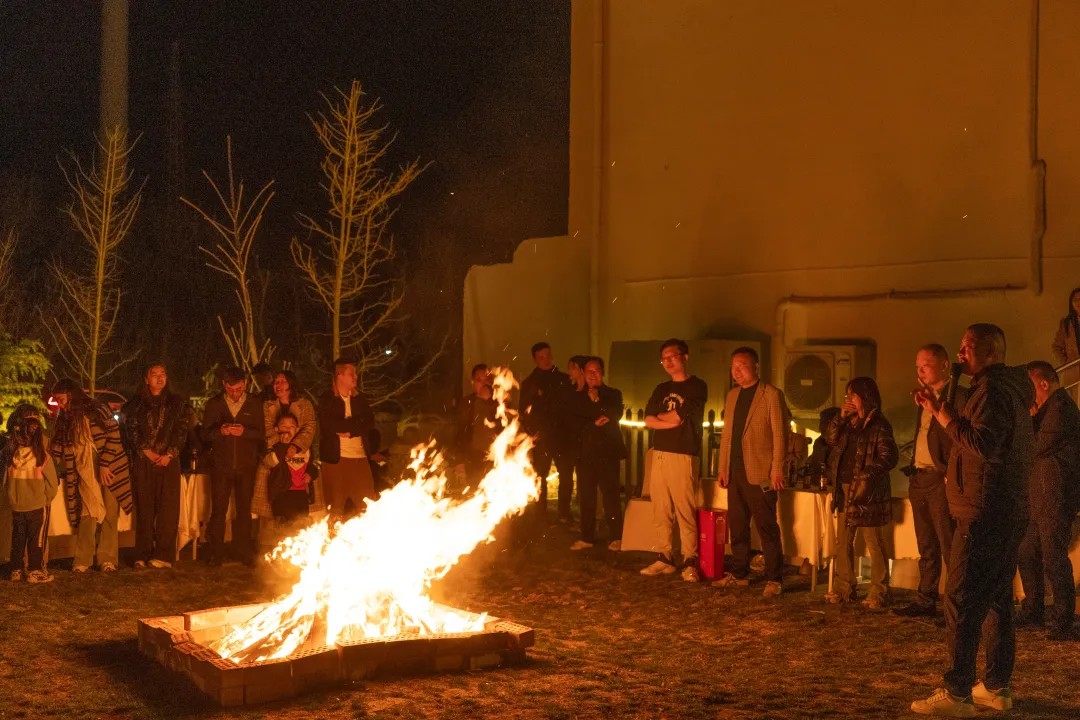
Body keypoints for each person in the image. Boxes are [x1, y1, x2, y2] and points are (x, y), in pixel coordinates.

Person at [911, 323, 1034, 717]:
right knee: (997, 598)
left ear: (991, 353)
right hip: (1002, 507)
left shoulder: (992, 391)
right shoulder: (1002, 390)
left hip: (984, 510)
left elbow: (983, 444)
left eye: (968, 348)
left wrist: (945, 417)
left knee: (961, 598)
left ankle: (958, 691)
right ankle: (996, 686)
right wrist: (937, 407)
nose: (960, 353)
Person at [894, 344, 969, 617]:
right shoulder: (923, 397)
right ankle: (926, 599)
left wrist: (952, 470)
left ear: (944, 364)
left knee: (949, 544)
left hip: (941, 479)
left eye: (925, 364)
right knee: (926, 544)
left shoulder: (957, 396)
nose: (920, 370)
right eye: (917, 366)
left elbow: (959, 437)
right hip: (919, 477)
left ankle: (955, 606)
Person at [714, 347, 788, 598]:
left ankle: (774, 578)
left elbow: (780, 435)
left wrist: (777, 469)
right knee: (738, 526)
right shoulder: (732, 396)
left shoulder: (770, 395)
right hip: (736, 472)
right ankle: (740, 573)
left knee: (767, 526)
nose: (737, 371)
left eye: (742, 366)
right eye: (733, 367)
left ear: (756, 367)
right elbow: (726, 436)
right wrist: (723, 468)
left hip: (761, 472)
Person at [1016, 361, 1080, 640]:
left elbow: (1037, 446)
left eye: (1031, 387)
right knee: (1027, 552)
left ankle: (1062, 619)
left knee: (1053, 557)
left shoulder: (1061, 408)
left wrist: (1028, 420)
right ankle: (1034, 610)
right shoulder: (1048, 409)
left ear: (1043, 383)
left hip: (1055, 494)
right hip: (1038, 493)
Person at [823, 377, 899, 608]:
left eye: (852, 395)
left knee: (873, 541)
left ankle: (879, 591)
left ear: (865, 396)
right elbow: (830, 439)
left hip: (868, 492)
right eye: (847, 395)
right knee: (843, 540)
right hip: (844, 488)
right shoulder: (847, 423)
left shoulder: (879, 424)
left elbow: (889, 457)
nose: (848, 400)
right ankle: (844, 587)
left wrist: (866, 474)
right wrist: (841, 418)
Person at [48, 379, 133, 574]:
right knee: (87, 511)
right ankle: (83, 559)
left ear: (70, 394)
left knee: (110, 511)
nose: (59, 404)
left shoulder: (96, 408)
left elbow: (113, 433)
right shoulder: (64, 417)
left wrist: (105, 463)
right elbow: (58, 444)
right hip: (83, 467)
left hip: (108, 464)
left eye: (61, 399)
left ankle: (107, 559)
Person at [639, 339, 708, 582]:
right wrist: (666, 419)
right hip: (659, 452)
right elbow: (648, 419)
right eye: (664, 358)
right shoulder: (660, 389)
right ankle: (665, 556)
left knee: (684, 508)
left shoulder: (697, 386)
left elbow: (680, 416)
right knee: (661, 508)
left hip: (683, 454)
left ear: (685, 357)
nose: (668, 361)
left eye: (673, 356)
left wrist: (664, 418)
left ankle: (690, 559)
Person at [123, 362, 194, 569]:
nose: (159, 378)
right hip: (144, 461)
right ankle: (142, 554)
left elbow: (181, 431)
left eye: (163, 374)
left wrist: (170, 454)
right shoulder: (136, 404)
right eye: (154, 374)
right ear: (147, 378)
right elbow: (132, 429)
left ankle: (163, 555)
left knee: (168, 510)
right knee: (144, 509)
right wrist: (147, 451)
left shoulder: (176, 403)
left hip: (168, 462)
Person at [202, 366, 265, 567]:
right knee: (219, 510)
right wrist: (221, 430)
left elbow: (261, 434)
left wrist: (244, 431)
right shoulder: (214, 404)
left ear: (245, 384)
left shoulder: (255, 404)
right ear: (224, 385)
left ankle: (243, 550)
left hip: (246, 465)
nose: (235, 393)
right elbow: (205, 435)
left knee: (244, 510)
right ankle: (216, 552)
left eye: (238, 389)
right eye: (231, 390)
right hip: (221, 465)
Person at [569, 357, 626, 552]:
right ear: (583, 373)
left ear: (602, 372)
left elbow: (614, 414)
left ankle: (616, 536)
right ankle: (586, 536)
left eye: (597, 370)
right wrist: (593, 424)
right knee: (586, 496)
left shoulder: (613, 394)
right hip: (586, 454)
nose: (593, 375)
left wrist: (598, 401)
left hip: (607, 453)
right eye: (589, 371)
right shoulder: (576, 397)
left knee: (611, 495)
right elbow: (575, 425)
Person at [252, 370, 317, 521]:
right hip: (275, 457)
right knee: (272, 510)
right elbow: (268, 430)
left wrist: (295, 446)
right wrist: (283, 446)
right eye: (276, 382)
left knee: (300, 513)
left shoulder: (305, 404)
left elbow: (309, 428)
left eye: (283, 382)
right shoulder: (267, 406)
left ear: (291, 384)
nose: (278, 385)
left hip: (299, 458)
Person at [3, 405, 58, 583]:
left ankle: (16, 569)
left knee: (18, 539)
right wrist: (46, 498)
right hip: (36, 505)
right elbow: (52, 483)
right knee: (36, 540)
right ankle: (35, 570)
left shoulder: (11, 457)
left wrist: (12, 497)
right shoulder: (42, 457)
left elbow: (5, 482)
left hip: (17, 506)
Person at [318, 357, 377, 520]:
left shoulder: (360, 400)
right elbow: (330, 426)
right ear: (340, 376)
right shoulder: (327, 399)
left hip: (360, 459)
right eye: (352, 374)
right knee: (335, 508)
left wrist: (351, 430)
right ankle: (330, 542)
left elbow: (370, 422)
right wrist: (357, 424)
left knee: (367, 507)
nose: (356, 377)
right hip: (337, 460)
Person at [520, 342, 573, 522]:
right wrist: (532, 432)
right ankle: (541, 510)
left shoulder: (564, 379)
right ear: (535, 359)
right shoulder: (529, 383)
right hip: (542, 437)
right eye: (541, 357)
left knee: (565, 474)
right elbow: (524, 411)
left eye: (548, 355)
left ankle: (564, 512)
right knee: (540, 475)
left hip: (563, 436)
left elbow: (569, 407)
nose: (546, 360)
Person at [264, 413, 318, 530]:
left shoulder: (305, 448)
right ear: (276, 429)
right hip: (282, 493)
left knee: (301, 527)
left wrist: (311, 474)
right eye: (284, 426)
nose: (288, 429)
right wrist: (283, 446)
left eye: (291, 426)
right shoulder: (275, 446)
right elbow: (269, 462)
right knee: (282, 528)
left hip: (301, 494)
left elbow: (314, 465)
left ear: (297, 429)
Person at [453, 364, 499, 483]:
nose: (483, 384)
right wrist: (459, 460)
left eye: (486, 380)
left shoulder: (499, 403)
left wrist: (489, 400)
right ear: (473, 382)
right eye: (479, 380)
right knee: (474, 493)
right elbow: (460, 432)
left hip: (496, 457)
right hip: (474, 457)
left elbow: (505, 426)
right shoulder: (466, 403)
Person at [1051, 287, 1080, 395]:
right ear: (1071, 303)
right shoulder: (1066, 323)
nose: (1078, 303)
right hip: (1073, 372)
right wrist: (1066, 362)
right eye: (1075, 300)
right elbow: (1056, 346)